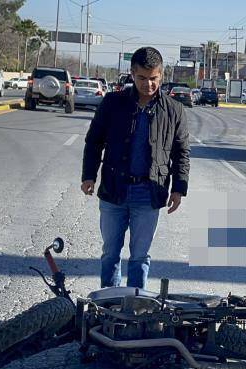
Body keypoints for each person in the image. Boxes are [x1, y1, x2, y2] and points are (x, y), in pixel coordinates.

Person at [81, 47, 190, 289]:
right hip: (114, 191)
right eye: (142, 78)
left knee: (140, 257)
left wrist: (179, 189)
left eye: (154, 78)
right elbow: (94, 141)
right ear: (132, 74)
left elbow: (181, 152)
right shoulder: (113, 103)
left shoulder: (174, 110)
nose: (148, 84)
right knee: (110, 254)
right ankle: (109, 306)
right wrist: (88, 175)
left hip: (148, 195)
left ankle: (136, 309)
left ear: (161, 75)